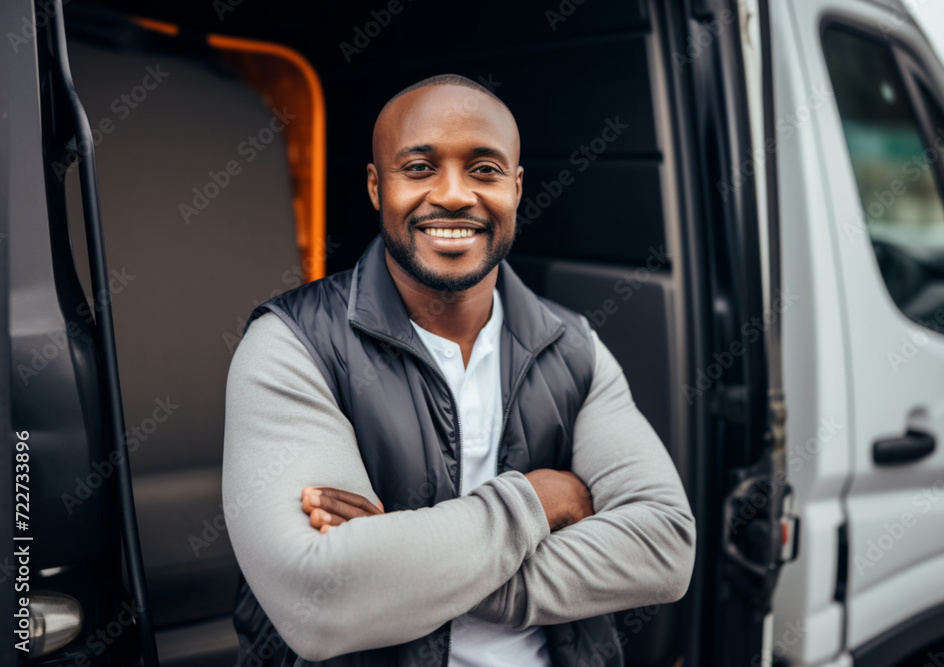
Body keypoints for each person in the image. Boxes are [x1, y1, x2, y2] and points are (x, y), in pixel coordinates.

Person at [222, 73, 696, 667]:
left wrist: (404, 559)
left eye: (484, 169)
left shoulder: (575, 348)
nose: (452, 194)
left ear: (517, 188)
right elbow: (323, 601)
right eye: (419, 168)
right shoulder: (292, 344)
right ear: (376, 186)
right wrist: (536, 502)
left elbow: (666, 548)